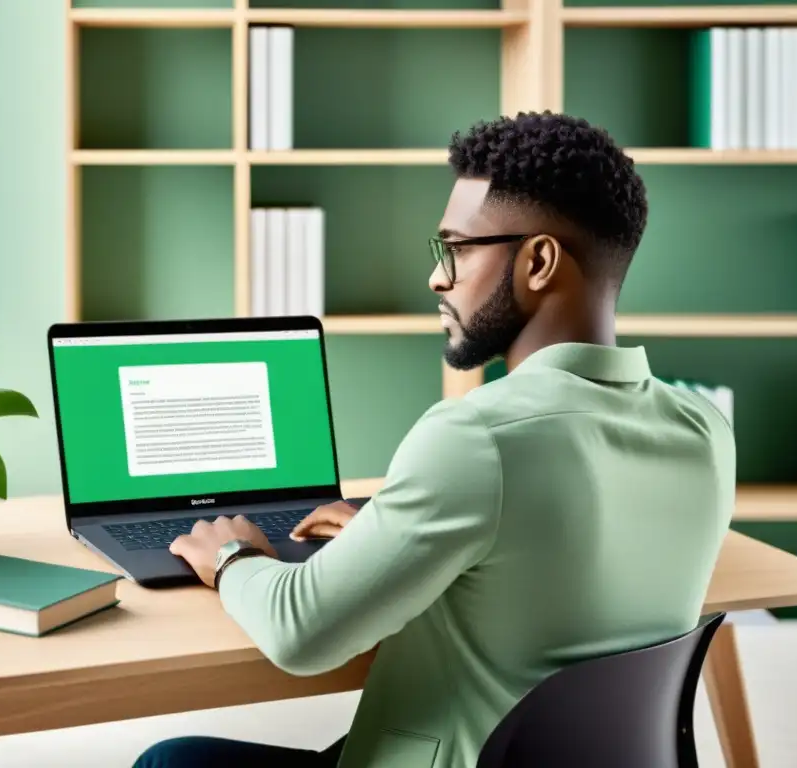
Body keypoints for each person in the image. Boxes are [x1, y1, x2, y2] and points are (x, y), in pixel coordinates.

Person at [132, 111, 736, 768]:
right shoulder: (704, 430)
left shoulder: (478, 438)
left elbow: (299, 633)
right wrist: (391, 528)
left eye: (457, 247)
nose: (438, 277)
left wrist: (233, 558)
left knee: (170, 760)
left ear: (538, 261)